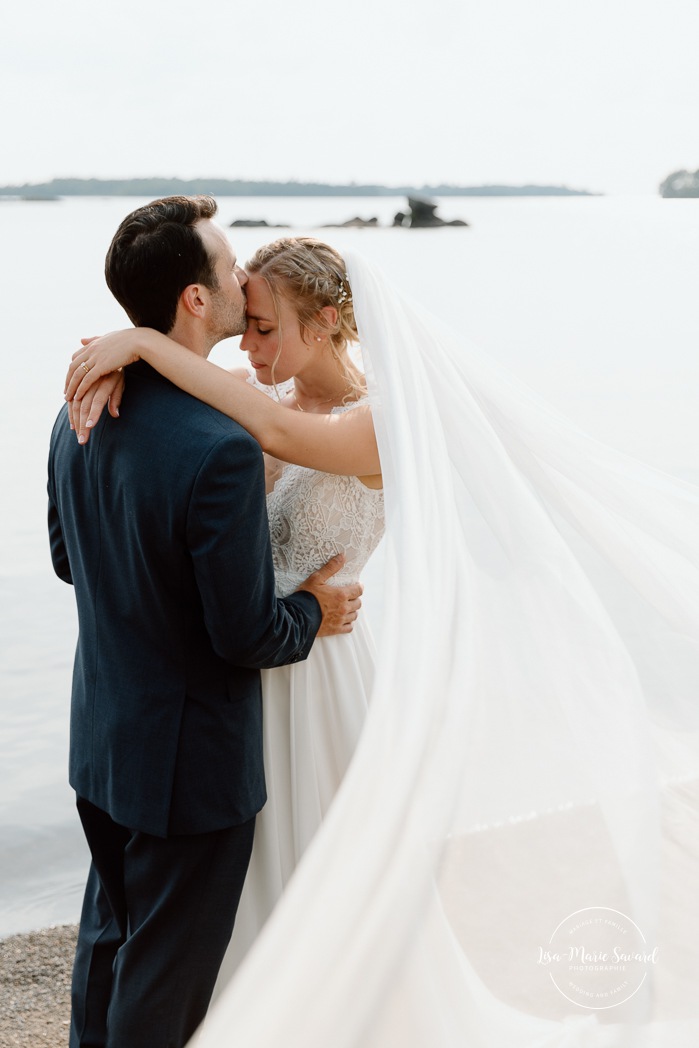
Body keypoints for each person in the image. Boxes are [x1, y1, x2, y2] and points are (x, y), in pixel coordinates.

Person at [66, 237, 699, 1046]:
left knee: (317, 871)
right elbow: (192, 433)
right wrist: (122, 365)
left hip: (318, 668)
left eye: (263, 328)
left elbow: (273, 432)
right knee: (224, 892)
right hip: (241, 667)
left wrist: (144, 344)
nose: (247, 347)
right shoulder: (253, 392)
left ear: (326, 322)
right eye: (245, 326)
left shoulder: (381, 425)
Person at [48, 197, 363, 1048]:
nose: (240, 278)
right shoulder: (219, 444)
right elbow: (246, 636)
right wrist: (313, 607)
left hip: (102, 739)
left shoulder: (79, 406)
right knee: (163, 979)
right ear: (195, 299)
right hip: (188, 767)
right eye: (227, 270)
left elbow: (71, 559)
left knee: (108, 943)